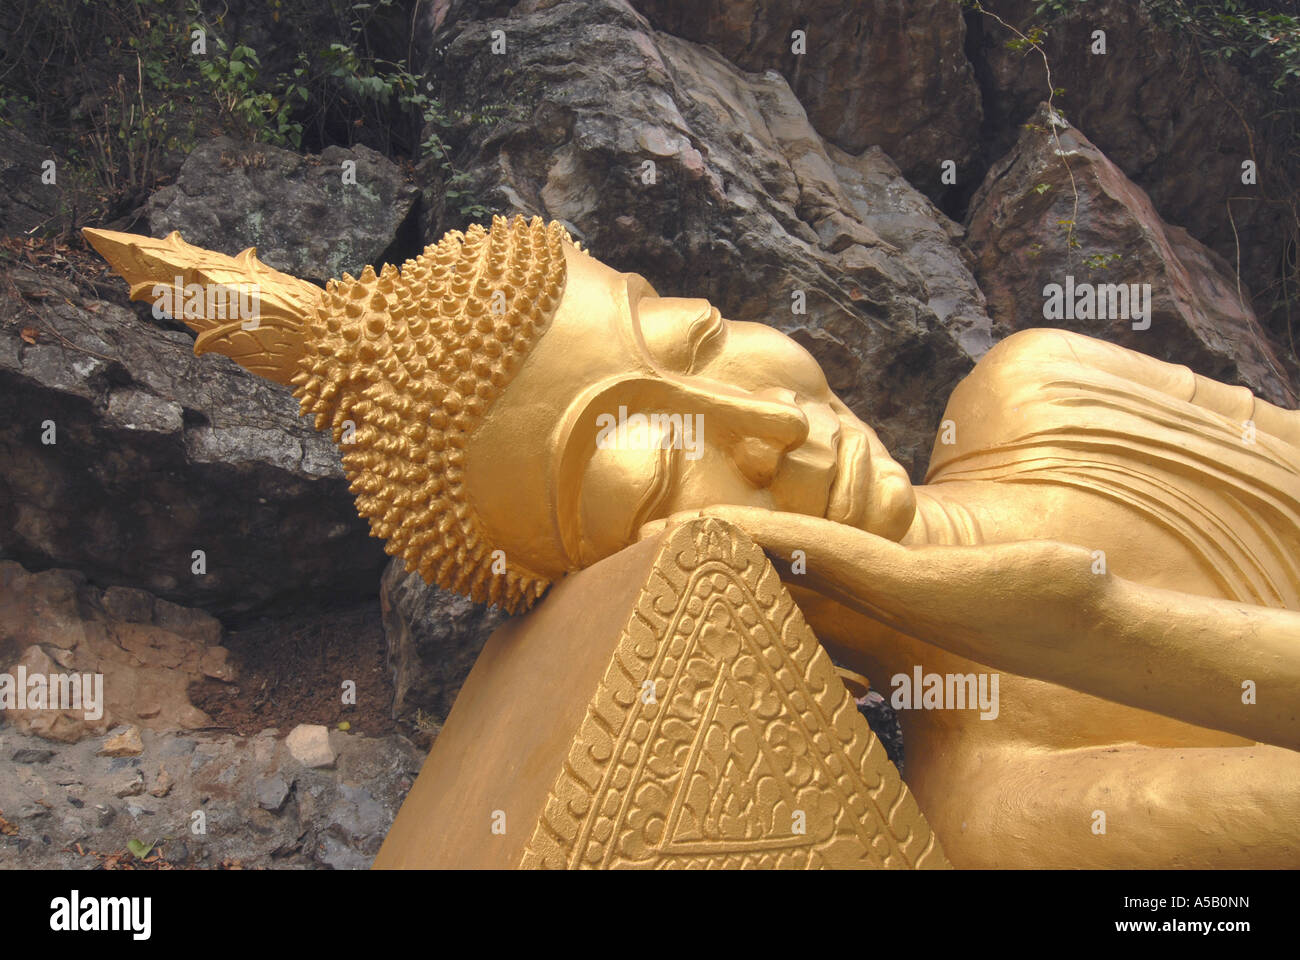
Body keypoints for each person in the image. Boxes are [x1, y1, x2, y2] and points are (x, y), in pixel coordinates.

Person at [85, 215, 1300, 867]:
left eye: (701, 339)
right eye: (662, 465)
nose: (769, 425)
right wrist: (1098, 633)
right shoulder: (1007, 823)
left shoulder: (1041, 392)